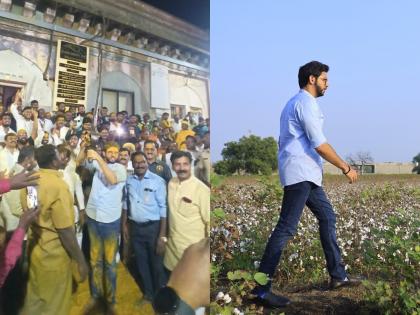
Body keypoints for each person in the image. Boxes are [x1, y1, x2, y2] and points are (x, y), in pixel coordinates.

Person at [251, 61, 361, 308]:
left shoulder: (296, 103)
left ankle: (338, 276)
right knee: (286, 228)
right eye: (324, 79)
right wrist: (346, 167)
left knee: (327, 217)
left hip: (307, 174)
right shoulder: (304, 103)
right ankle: (261, 289)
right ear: (312, 79)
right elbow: (319, 144)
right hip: (300, 173)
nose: (327, 84)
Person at [22, 144, 88, 315]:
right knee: (54, 306)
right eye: (59, 155)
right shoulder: (58, 186)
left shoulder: (30, 180)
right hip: (54, 257)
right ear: (54, 160)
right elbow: (65, 230)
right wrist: (80, 260)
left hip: (35, 251)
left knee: (35, 301)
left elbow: (31, 213)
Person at [81, 142, 127, 314]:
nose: (113, 154)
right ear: (105, 152)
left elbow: (112, 179)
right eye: (110, 151)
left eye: (116, 151)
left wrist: (99, 157)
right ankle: (95, 296)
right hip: (93, 218)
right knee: (94, 261)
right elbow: (80, 162)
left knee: (109, 263)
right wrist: (84, 148)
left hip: (110, 221)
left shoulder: (121, 169)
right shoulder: (97, 163)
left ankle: (111, 299)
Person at [164, 151, 210, 315]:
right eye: (177, 164)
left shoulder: (201, 190)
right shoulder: (171, 183)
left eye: (185, 164)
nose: (181, 168)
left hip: (193, 260)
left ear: (190, 165)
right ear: (173, 166)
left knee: (194, 305)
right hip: (172, 254)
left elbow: (209, 224)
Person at [122, 152, 168, 303]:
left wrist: (162, 236)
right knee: (142, 263)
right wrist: (124, 224)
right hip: (136, 228)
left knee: (157, 265)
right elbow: (125, 204)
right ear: (132, 164)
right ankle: (148, 294)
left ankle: (161, 298)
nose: (140, 165)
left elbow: (163, 209)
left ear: (147, 163)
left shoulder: (157, 181)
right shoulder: (129, 181)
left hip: (153, 229)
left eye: (142, 162)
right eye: (136, 162)